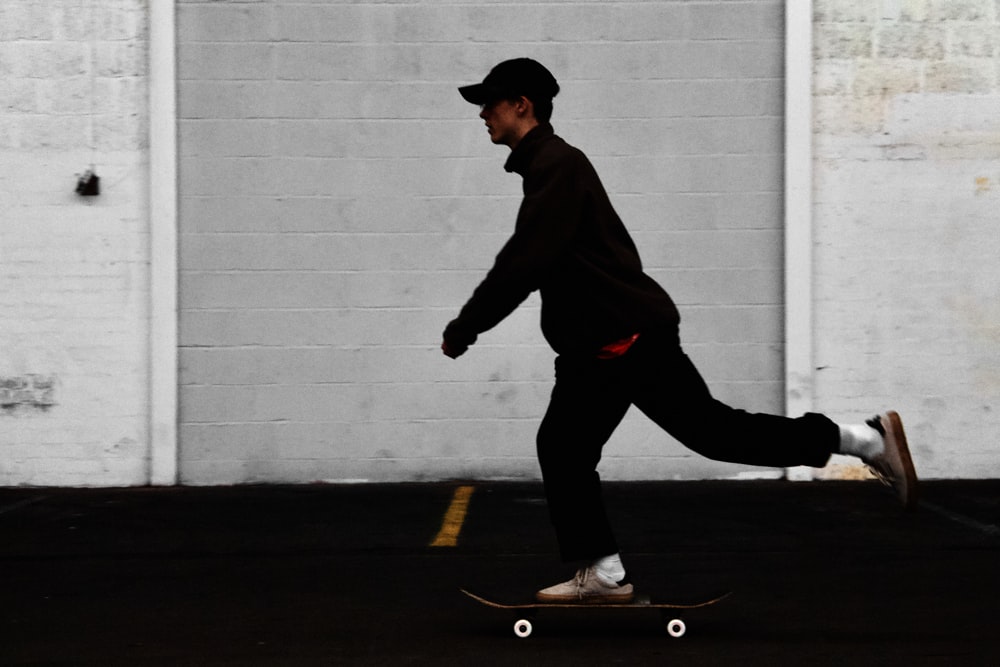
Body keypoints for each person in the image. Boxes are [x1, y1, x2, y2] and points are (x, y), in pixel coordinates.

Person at [441, 58, 918, 603]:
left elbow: (522, 264)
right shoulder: (545, 167)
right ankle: (605, 573)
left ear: (521, 104)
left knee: (717, 435)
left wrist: (466, 327)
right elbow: (544, 264)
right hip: (594, 350)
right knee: (563, 448)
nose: (482, 112)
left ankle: (866, 438)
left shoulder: (558, 166)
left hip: (628, 342)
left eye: (490, 102)